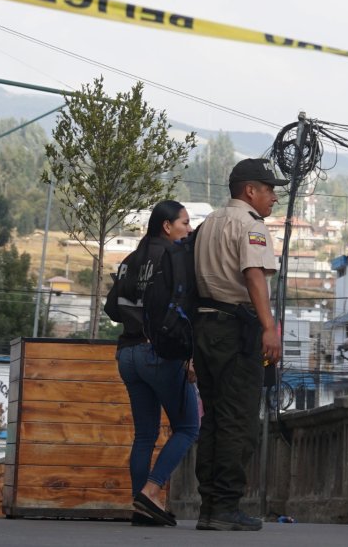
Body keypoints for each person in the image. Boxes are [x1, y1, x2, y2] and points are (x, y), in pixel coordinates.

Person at [191, 159, 286, 531]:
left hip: (205, 326)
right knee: (239, 420)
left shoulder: (207, 223)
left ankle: (209, 505)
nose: (274, 198)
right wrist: (268, 327)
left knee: (212, 419)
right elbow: (254, 276)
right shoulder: (250, 226)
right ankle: (226, 506)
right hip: (235, 329)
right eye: (269, 190)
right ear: (250, 191)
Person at [106, 200, 201, 527]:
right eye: (185, 223)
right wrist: (190, 355)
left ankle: (142, 506)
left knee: (145, 435)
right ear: (167, 226)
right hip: (158, 353)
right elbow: (186, 309)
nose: (188, 230)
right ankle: (151, 490)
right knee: (189, 427)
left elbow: (111, 309)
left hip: (128, 355)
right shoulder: (174, 258)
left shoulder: (131, 260)